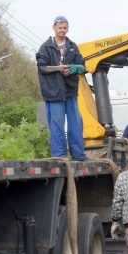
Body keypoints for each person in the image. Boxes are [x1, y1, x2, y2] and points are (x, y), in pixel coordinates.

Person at [36, 16, 87, 160]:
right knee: (57, 124)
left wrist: (72, 68)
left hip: (70, 91)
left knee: (76, 123)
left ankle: (78, 155)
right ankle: (59, 155)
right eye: (60, 28)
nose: (62, 30)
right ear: (54, 28)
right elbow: (42, 67)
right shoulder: (46, 47)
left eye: (65, 28)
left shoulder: (72, 46)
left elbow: (82, 66)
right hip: (54, 92)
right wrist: (59, 68)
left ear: (68, 29)